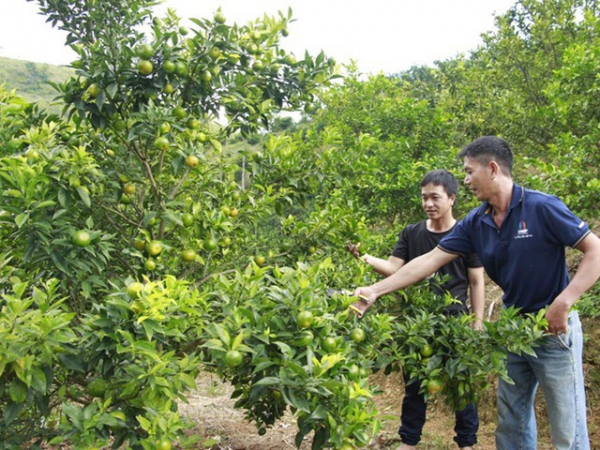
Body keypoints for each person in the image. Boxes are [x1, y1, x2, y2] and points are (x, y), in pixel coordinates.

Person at [352, 136, 600, 450]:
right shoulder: (475, 222)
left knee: (567, 426)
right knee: (511, 424)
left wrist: (564, 302)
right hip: (512, 331)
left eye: (469, 172)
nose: (466, 180)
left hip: (553, 331)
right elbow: (428, 261)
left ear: (493, 168)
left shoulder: (542, 206)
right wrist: (375, 290)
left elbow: (595, 250)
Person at [348, 169, 485, 450]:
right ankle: (409, 441)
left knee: (462, 383)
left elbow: (476, 280)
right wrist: (364, 256)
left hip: (455, 320)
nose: (428, 204)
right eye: (424, 198)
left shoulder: (467, 233)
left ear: (452, 199)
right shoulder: (412, 232)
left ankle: (467, 443)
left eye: (435, 197)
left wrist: (478, 322)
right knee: (414, 386)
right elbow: (394, 269)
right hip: (418, 323)